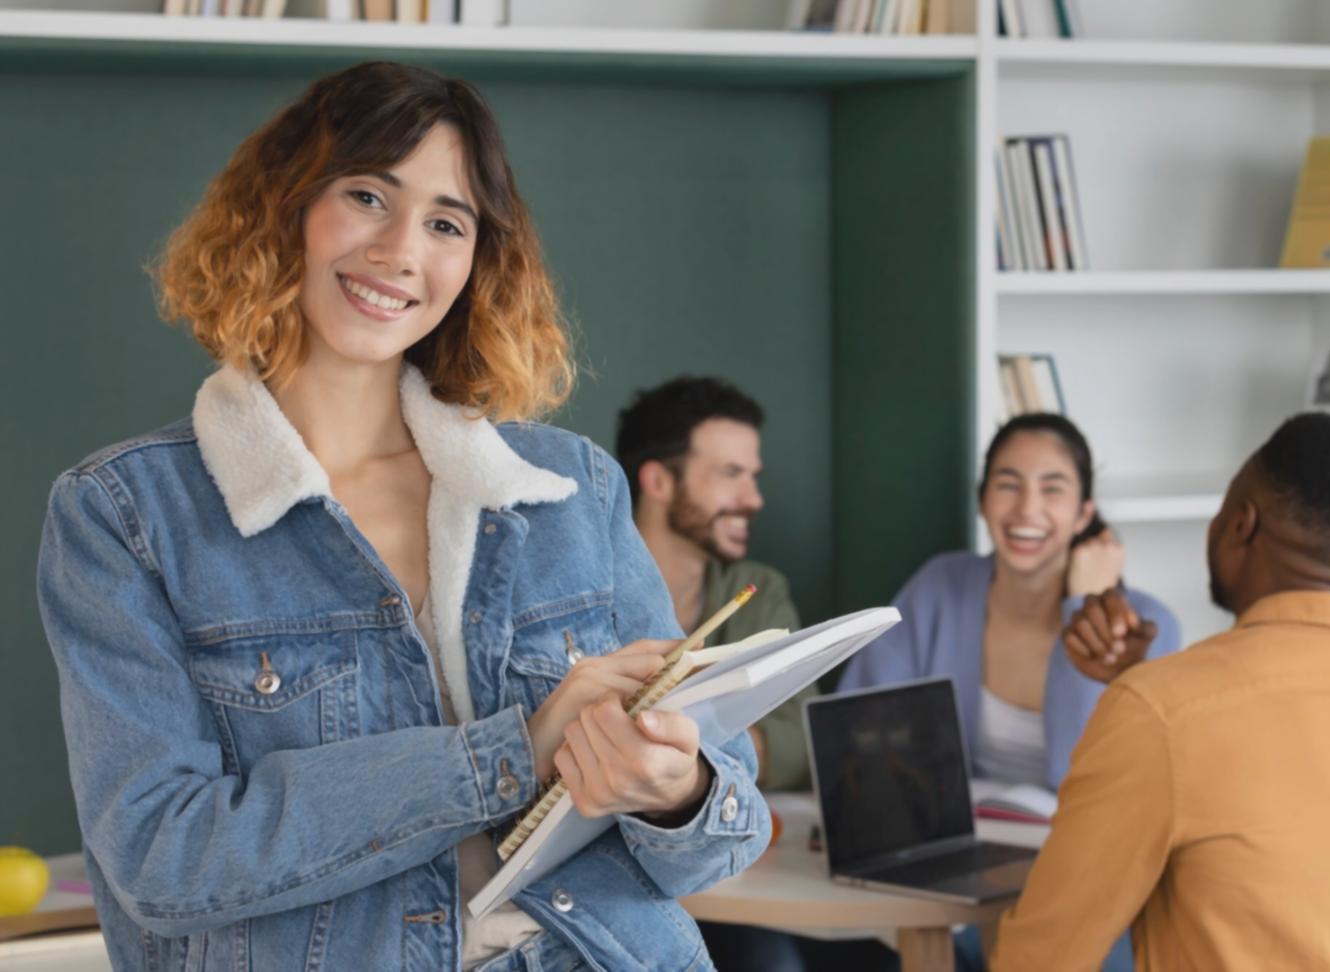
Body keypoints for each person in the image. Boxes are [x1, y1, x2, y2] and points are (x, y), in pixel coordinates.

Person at [36, 62, 769, 972]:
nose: (401, 253)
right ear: (286, 204)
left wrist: (675, 787)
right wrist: (510, 754)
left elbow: (729, 833)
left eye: (446, 223)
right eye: (368, 196)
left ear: (476, 262)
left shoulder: (570, 488)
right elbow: (163, 855)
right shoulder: (126, 516)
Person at [992, 413, 1330, 970]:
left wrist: (1145, 699)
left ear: (1240, 523)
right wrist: (1142, 687)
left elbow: (1042, 958)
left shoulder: (1164, 713)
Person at [836, 412, 1180, 971]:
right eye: (1007, 484)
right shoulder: (939, 588)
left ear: (1084, 516)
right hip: (957, 867)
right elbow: (862, 737)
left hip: (1087, 881)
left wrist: (1083, 610)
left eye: (1053, 488)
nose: (1026, 509)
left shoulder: (1147, 626)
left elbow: (1081, 776)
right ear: (982, 501)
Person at [616, 376, 815, 791]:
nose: (753, 499)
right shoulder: (585, 592)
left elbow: (802, 738)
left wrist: (680, 755)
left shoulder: (759, 591)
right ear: (659, 483)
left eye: (753, 476)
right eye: (731, 474)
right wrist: (739, 746)